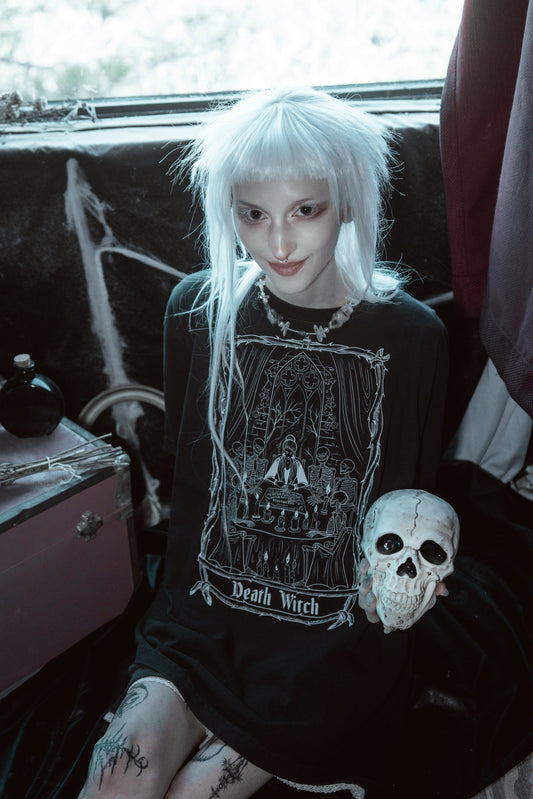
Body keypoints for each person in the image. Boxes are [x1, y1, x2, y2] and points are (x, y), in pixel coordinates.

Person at [77, 86, 450, 799]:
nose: (277, 244)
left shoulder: (412, 338)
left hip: (328, 641)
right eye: (253, 214)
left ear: (346, 202)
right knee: (115, 781)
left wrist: (398, 583)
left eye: (305, 210)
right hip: (202, 616)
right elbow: (194, 482)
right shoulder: (197, 310)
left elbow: (408, 501)